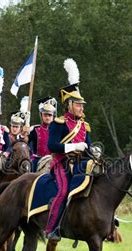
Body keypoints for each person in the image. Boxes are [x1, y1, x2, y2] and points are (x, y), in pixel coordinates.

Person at [46, 59, 91, 241]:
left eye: (82, 105)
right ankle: (52, 228)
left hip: (82, 163)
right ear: (70, 104)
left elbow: (88, 144)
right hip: (61, 163)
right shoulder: (59, 123)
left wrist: (93, 151)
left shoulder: (84, 124)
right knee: (63, 191)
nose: (82, 108)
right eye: (79, 104)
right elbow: (52, 146)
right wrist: (74, 146)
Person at [29, 96, 56, 172]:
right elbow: (25, 142)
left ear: (53, 116)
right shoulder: (35, 130)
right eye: (45, 115)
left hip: (52, 161)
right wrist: (24, 133)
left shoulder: (57, 130)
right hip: (37, 162)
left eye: (50, 115)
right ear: (41, 116)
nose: (47, 118)